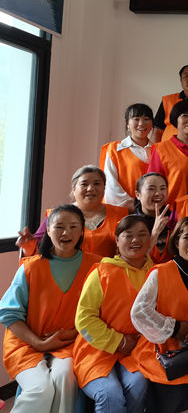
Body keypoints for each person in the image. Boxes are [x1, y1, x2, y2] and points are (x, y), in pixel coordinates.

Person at [1, 205, 101, 413]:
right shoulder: (31, 266)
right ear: (48, 230)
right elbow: (9, 314)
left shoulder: (96, 266)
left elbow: (101, 312)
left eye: (73, 226)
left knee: (65, 378)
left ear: (82, 231)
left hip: (68, 344)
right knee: (41, 389)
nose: (66, 233)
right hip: (26, 344)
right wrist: (39, 343)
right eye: (59, 227)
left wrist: (73, 334)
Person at [130, 216, 188, 413]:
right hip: (164, 351)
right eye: (187, 237)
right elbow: (139, 311)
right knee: (182, 398)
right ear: (176, 242)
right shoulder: (160, 272)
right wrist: (175, 327)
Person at [73, 214, 155, 413]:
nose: (136, 240)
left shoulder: (157, 273)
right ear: (117, 241)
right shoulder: (102, 272)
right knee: (110, 394)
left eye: (142, 234)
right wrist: (119, 342)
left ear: (150, 239)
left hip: (138, 351)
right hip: (96, 351)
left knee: (138, 385)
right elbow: (84, 319)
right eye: (129, 235)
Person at [20, 165, 129, 259]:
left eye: (97, 184)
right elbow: (37, 253)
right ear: (73, 189)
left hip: (109, 275)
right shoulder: (56, 215)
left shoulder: (121, 215)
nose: (91, 188)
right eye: (84, 184)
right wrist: (28, 248)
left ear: (104, 187)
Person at [147, 99, 188, 205]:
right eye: (185, 116)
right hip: (172, 210)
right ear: (175, 120)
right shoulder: (161, 149)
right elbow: (153, 185)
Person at [102, 103, 154, 209]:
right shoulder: (115, 149)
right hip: (123, 211)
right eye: (136, 119)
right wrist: (136, 207)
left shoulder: (159, 150)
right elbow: (111, 185)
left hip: (153, 211)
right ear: (127, 124)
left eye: (146, 119)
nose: (141, 123)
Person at [152, 64, 188, 143]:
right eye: (186, 76)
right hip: (169, 149)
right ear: (181, 80)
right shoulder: (168, 101)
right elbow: (157, 132)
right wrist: (154, 150)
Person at [128, 173, 174, 264]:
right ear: (138, 195)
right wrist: (155, 232)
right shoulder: (128, 224)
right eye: (151, 189)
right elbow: (134, 261)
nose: (158, 193)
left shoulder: (174, 217)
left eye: (162, 188)